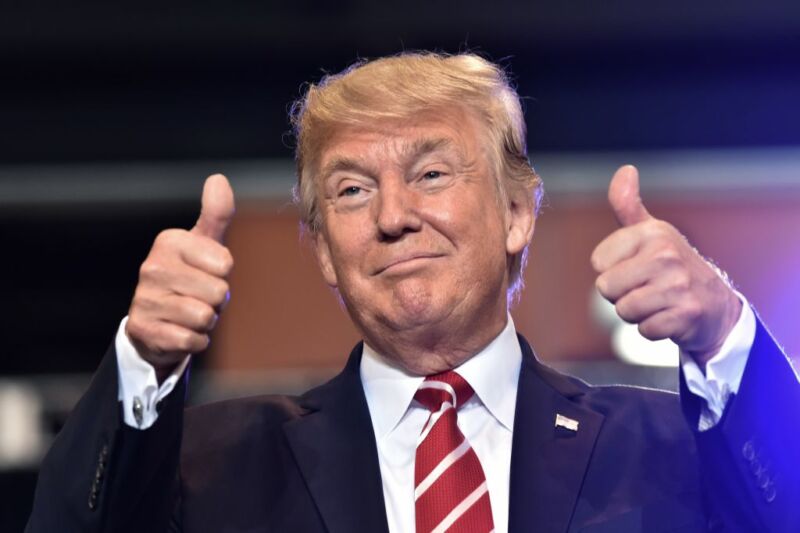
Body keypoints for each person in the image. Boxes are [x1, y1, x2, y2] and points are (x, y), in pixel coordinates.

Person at [27, 53, 799, 532]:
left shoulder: (669, 450)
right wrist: (143, 359)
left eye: (431, 173)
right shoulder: (212, 464)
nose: (394, 217)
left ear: (516, 212)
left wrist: (725, 333)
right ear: (325, 251)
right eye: (353, 190)